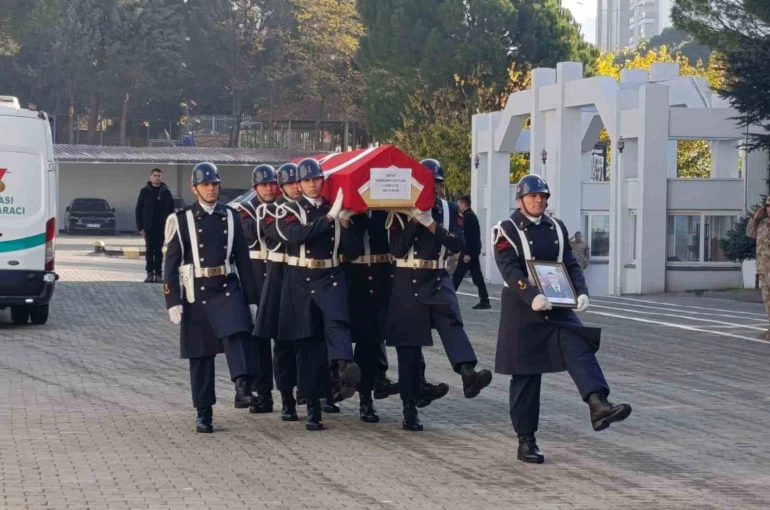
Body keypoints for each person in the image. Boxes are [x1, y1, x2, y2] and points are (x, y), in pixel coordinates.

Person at [492, 174, 631, 464]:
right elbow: (509, 269)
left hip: (557, 302)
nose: (539, 201)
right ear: (520, 199)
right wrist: (531, 295)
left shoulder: (556, 226)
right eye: (533, 196)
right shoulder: (506, 229)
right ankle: (526, 441)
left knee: (578, 346)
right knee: (526, 376)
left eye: (543, 196)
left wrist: (581, 291)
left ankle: (598, 404)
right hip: (523, 308)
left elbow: (569, 263)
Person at [386, 158, 493, 431]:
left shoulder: (448, 210)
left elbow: (458, 243)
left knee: (452, 322)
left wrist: (430, 223)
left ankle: (468, 372)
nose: (430, 187)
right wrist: (414, 220)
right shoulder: (399, 209)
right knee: (409, 348)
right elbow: (397, 249)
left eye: (434, 183)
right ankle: (410, 409)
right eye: (425, 182)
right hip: (407, 278)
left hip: (437, 275)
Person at [163, 162, 259, 433]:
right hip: (197, 292)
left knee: (239, 332)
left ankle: (242, 386)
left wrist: (251, 298)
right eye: (206, 184)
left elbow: (242, 258)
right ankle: (204, 413)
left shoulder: (231, 215)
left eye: (215, 184)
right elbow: (170, 264)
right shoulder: (182, 219)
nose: (211, 189)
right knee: (201, 356)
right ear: (195, 189)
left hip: (227, 286)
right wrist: (172, 300)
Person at [276, 158, 362, 431]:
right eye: (307, 180)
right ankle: (313, 408)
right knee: (308, 347)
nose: (313, 184)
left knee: (339, 325)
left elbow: (353, 252)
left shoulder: (334, 211)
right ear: (299, 184)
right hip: (301, 280)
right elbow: (297, 236)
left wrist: (346, 225)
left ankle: (343, 370)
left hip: (331, 276)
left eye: (317, 179)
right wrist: (329, 218)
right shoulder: (288, 210)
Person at [254, 163, 302, 421]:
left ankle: (310, 391)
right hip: (279, 277)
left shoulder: (308, 208)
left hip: (303, 277)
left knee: (306, 342)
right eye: (291, 183)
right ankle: (287, 398)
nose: (296, 186)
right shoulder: (272, 210)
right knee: (282, 344)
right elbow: (289, 236)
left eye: (299, 182)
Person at [239, 164, 280, 414]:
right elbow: (253, 233)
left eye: (272, 183)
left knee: (288, 340)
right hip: (256, 279)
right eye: (264, 184)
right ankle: (264, 393)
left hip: (280, 277)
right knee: (260, 341)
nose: (269, 188)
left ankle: (299, 391)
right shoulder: (245, 211)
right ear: (255, 188)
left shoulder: (286, 206)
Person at [136, 168, 175, 283]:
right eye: (155, 175)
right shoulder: (145, 191)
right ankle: (149, 273)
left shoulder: (165, 192)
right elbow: (138, 210)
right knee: (149, 250)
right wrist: (140, 227)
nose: (157, 177)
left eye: (159, 176)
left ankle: (158, 274)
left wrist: (170, 227)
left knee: (158, 251)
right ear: (151, 176)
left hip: (161, 228)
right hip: (148, 227)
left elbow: (171, 211)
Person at [452, 195, 490, 309]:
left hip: (468, 252)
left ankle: (447, 299)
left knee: (457, 276)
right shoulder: (470, 216)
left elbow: (469, 237)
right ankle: (485, 300)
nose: (458, 207)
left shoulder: (468, 217)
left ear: (464, 204)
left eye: (459, 204)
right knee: (477, 277)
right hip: (473, 251)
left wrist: (467, 253)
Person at [746, 196, 770, 339]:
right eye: (768, 206)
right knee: (767, 300)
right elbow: (750, 233)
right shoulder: (762, 224)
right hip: (763, 269)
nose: (769, 208)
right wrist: (755, 218)